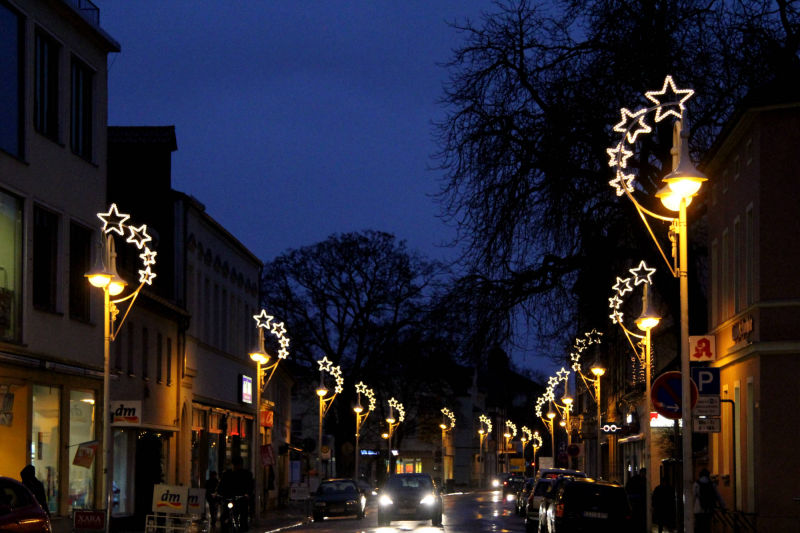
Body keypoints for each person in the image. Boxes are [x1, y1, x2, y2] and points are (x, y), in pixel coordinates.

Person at [218, 457, 254, 531]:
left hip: (241, 499)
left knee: (243, 517)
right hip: (229, 499)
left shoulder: (246, 474)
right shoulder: (227, 474)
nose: (235, 467)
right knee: (224, 517)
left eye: (237, 465)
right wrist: (219, 494)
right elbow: (221, 486)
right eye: (234, 465)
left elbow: (250, 486)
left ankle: (243, 529)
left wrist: (247, 494)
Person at [693, 468, 724, 533]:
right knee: (707, 527)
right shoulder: (712, 484)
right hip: (708, 510)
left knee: (699, 527)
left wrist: (690, 509)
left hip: (698, 510)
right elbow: (718, 496)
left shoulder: (696, 484)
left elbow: (693, 497)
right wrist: (723, 506)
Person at [625, 468, 646, 532]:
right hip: (637, 501)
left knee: (636, 517)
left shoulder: (634, 479)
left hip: (636, 501)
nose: (644, 474)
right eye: (644, 473)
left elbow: (627, 488)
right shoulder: (641, 480)